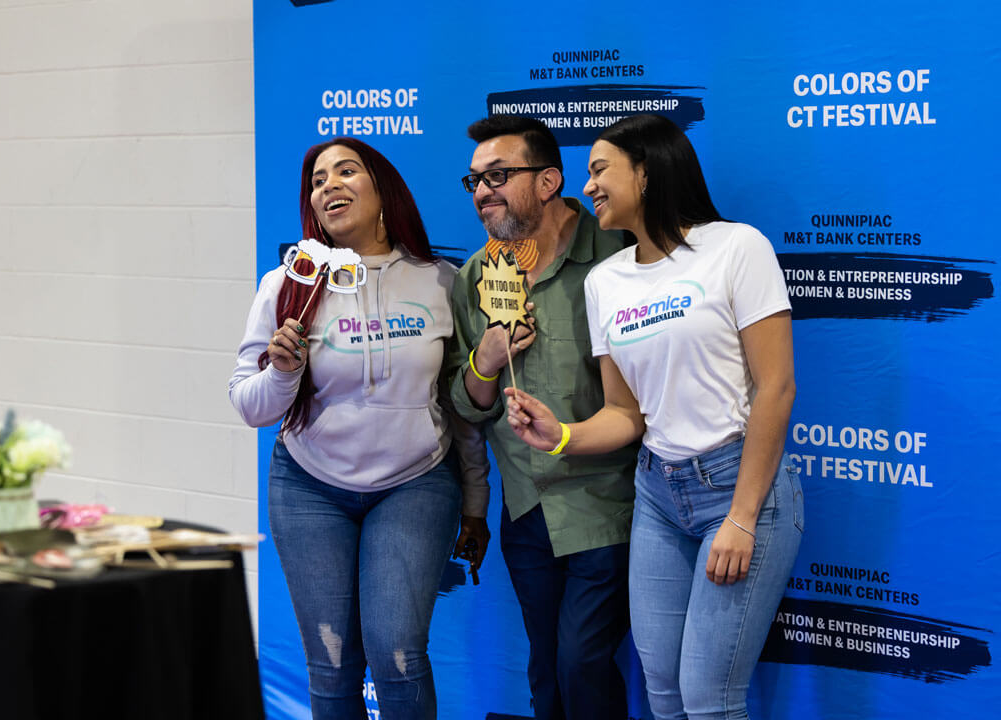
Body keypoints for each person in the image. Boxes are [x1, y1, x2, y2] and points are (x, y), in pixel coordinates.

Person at [504, 113, 804, 720]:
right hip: (658, 494)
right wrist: (559, 435)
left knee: (708, 697)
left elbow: (776, 388)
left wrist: (743, 518)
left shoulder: (735, 246)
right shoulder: (606, 281)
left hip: (737, 487)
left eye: (598, 170)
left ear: (646, 169)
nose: (586, 187)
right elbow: (624, 414)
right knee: (662, 692)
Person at [228, 137, 488, 720]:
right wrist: (284, 371)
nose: (329, 186)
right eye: (318, 181)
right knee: (331, 664)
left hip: (414, 484)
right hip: (309, 487)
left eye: (346, 171)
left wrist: (475, 500)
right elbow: (250, 405)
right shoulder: (286, 285)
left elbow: (461, 411)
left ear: (382, 190)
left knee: (397, 655)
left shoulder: (440, 280)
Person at [447, 115, 637, 720]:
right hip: (527, 510)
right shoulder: (476, 276)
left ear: (550, 180)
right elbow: (464, 404)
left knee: (582, 664)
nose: (482, 192)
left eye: (498, 176)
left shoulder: (618, 253)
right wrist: (486, 360)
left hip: (608, 505)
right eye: (474, 181)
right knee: (547, 675)